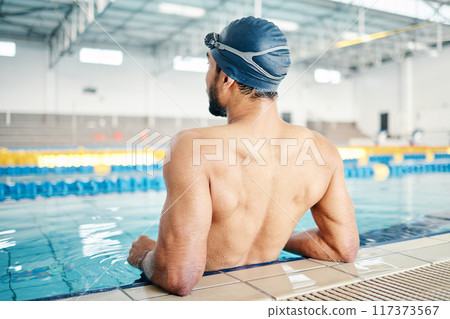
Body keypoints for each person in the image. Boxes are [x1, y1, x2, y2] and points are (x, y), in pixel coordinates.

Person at [127, 16, 359, 296]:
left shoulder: (192, 147)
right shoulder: (323, 150)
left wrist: (143, 255)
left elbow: (179, 276)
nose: (206, 78)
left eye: (209, 67)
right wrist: (278, 236)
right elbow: (341, 248)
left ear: (227, 78)